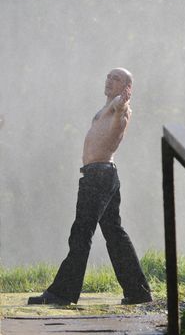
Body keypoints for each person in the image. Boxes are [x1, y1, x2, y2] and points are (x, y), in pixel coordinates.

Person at [28, 68, 152, 306]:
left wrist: (123, 102)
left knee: (81, 232)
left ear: (127, 88)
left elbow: (121, 110)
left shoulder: (119, 106)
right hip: (103, 175)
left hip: (99, 176)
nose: (109, 80)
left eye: (116, 78)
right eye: (108, 76)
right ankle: (138, 292)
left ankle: (62, 293)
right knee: (114, 233)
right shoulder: (107, 106)